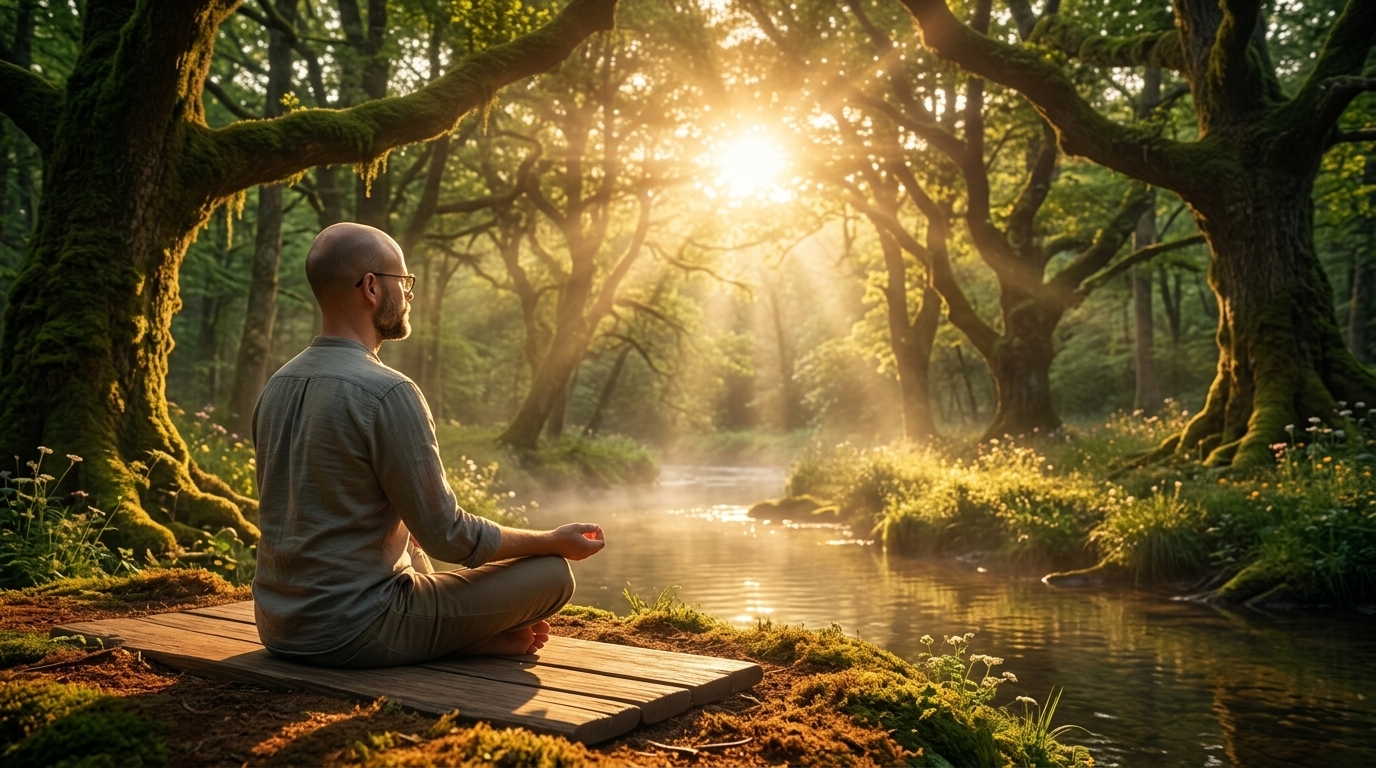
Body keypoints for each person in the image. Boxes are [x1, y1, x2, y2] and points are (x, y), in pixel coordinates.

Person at [250, 222, 604, 668]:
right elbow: (451, 537)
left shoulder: (277, 386)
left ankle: (461, 637)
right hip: (354, 629)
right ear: (372, 287)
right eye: (404, 281)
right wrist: (551, 540)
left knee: (409, 538)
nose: (410, 293)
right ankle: (459, 636)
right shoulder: (388, 392)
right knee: (552, 575)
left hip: (280, 625)